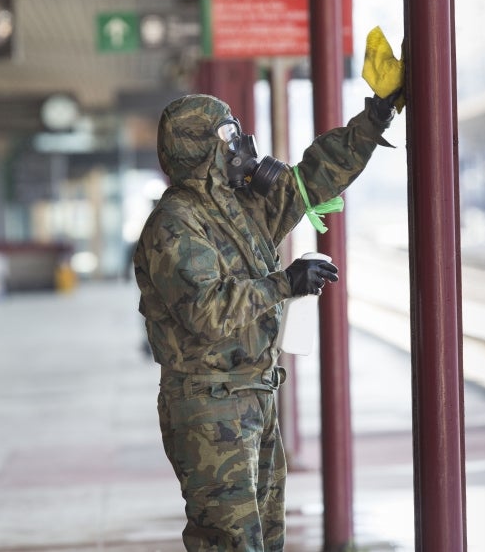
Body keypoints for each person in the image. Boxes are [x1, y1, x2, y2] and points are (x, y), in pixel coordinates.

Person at [132, 89, 397, 550]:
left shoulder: (236, 209)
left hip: (253, 394)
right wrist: (284, 283)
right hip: (210, 407)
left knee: (266, 537)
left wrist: (373, 120)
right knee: (230, 541)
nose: (240, 145)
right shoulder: (175, 224)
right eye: (227, 135)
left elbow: (312, 179)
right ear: (201, 148)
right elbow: (205, 312)